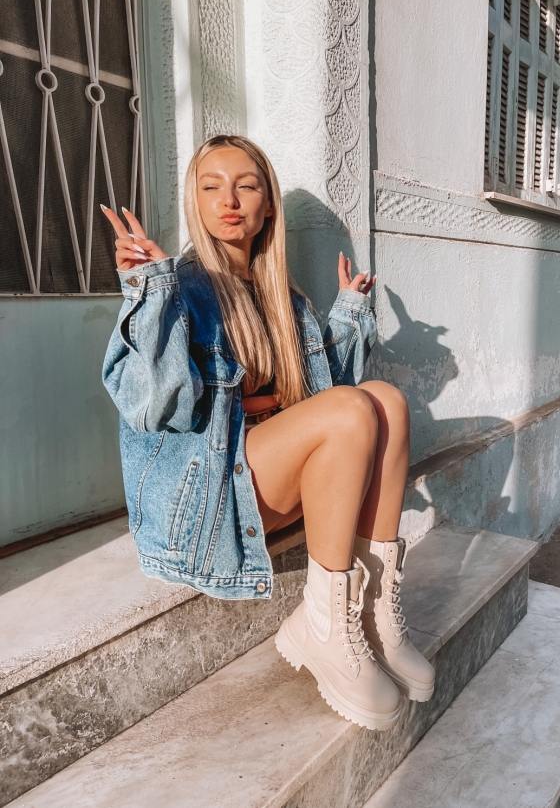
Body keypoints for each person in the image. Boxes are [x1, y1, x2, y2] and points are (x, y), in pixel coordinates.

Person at [102, 135, 434, 731]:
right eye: (211, 187)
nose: (229, 200)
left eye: (246, 186)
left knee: (386, 400)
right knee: (355, 408)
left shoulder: (284, 297)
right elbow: (155, 408)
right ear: (194, 202)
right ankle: (323, 624)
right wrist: (149, 293)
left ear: (268, 205)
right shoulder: (180, 289)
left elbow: (335, 400)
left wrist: (348, 312)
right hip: (208, 502)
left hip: (260, 483)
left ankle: (376, 611)